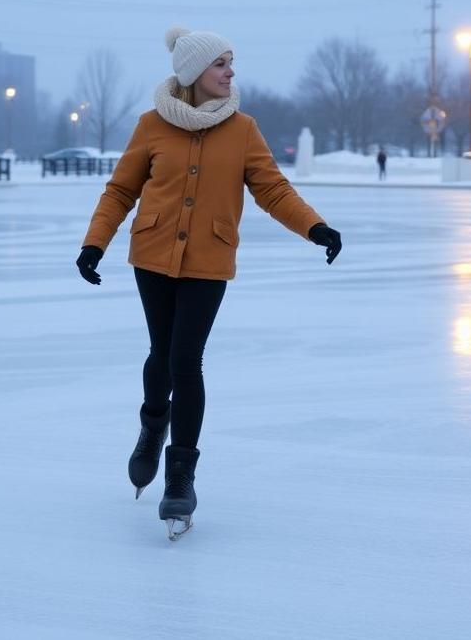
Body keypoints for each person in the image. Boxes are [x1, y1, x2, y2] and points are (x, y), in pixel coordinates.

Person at [76, 27, 343, 541]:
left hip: (208, 260)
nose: (230, 71)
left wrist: (315, 226)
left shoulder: (243, 129)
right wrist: (95, 243)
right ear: (194, 73)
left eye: (231, 62)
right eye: (221, 63)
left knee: (185, 360)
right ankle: (154, 425)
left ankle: (181, 475)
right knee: (161, 354)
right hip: (152, 255)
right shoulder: (151, 126)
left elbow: (273, 189)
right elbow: (120, 191)